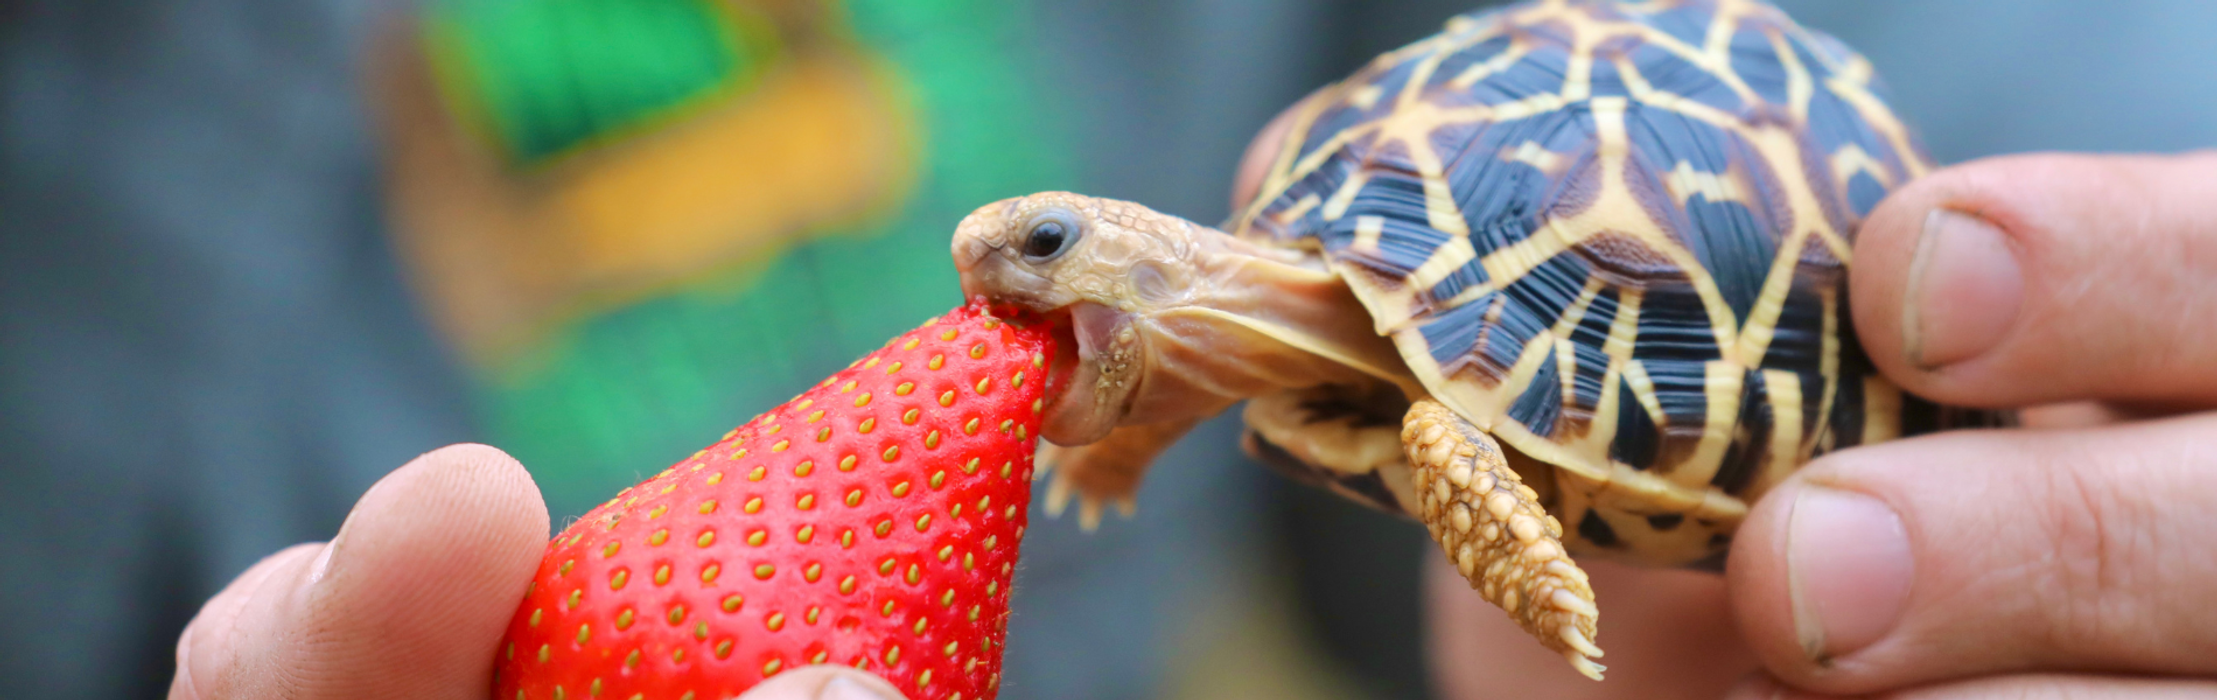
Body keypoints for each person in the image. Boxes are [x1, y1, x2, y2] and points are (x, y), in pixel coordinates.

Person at [169, 129, 2217, 696]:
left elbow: (1408, 399)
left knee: (1438, 433)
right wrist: (1130, 431)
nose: (1004, 293)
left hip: (1741, 337)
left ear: (1130, 248)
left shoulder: (1314, 262)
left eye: (1047, 254)